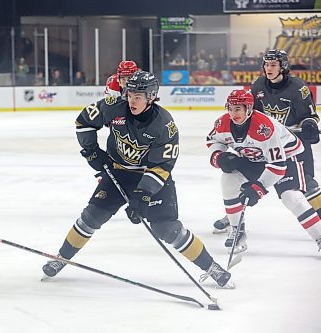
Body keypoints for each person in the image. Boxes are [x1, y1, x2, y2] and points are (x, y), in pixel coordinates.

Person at [42, 71, 233, 288]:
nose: (131, 100)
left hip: (151, 176)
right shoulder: (113, 106)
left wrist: (142, 196)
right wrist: (92, 151)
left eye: (138, 97)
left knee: (167, 228)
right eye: (129, 94)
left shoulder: (164, 125)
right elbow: (84, 121)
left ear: (151, 97)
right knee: (91, 217)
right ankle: (61, 258)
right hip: (118, 173)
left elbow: (161, 166)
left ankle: (211, 267)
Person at [213, 49, 320, 233]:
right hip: (265, 143)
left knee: (306, 183)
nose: (268, 68)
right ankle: (234, 216)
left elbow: (309, 116)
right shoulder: (259, 84)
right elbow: (248, 111)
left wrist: (309, 124)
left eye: (273, 65)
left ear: (283, 67)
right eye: (266, 65)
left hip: (292, 145)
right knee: (248, 179)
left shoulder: (298, 88)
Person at [207, 89, 321, 254]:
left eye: (238, 108)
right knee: (228, 180)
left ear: (248, 108)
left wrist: (258, 188)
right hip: (255, 158)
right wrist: (219, 156)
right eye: (230, 108)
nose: (233, 113)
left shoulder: (263, 127)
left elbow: (277, 165)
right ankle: (237, 232)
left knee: (291, 197)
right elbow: (212, 140)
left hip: (287, 158)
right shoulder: (222, 123)